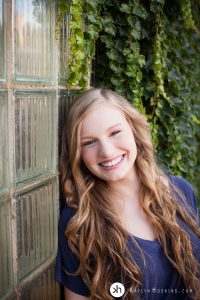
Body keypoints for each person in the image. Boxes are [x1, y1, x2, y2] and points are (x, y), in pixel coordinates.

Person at [55, 88, 200, 300]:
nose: (106, 151)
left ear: (134, 129)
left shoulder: (181, 190)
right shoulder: (80, 222)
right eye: (89, 142)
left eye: (115, 133)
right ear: (78, 152)